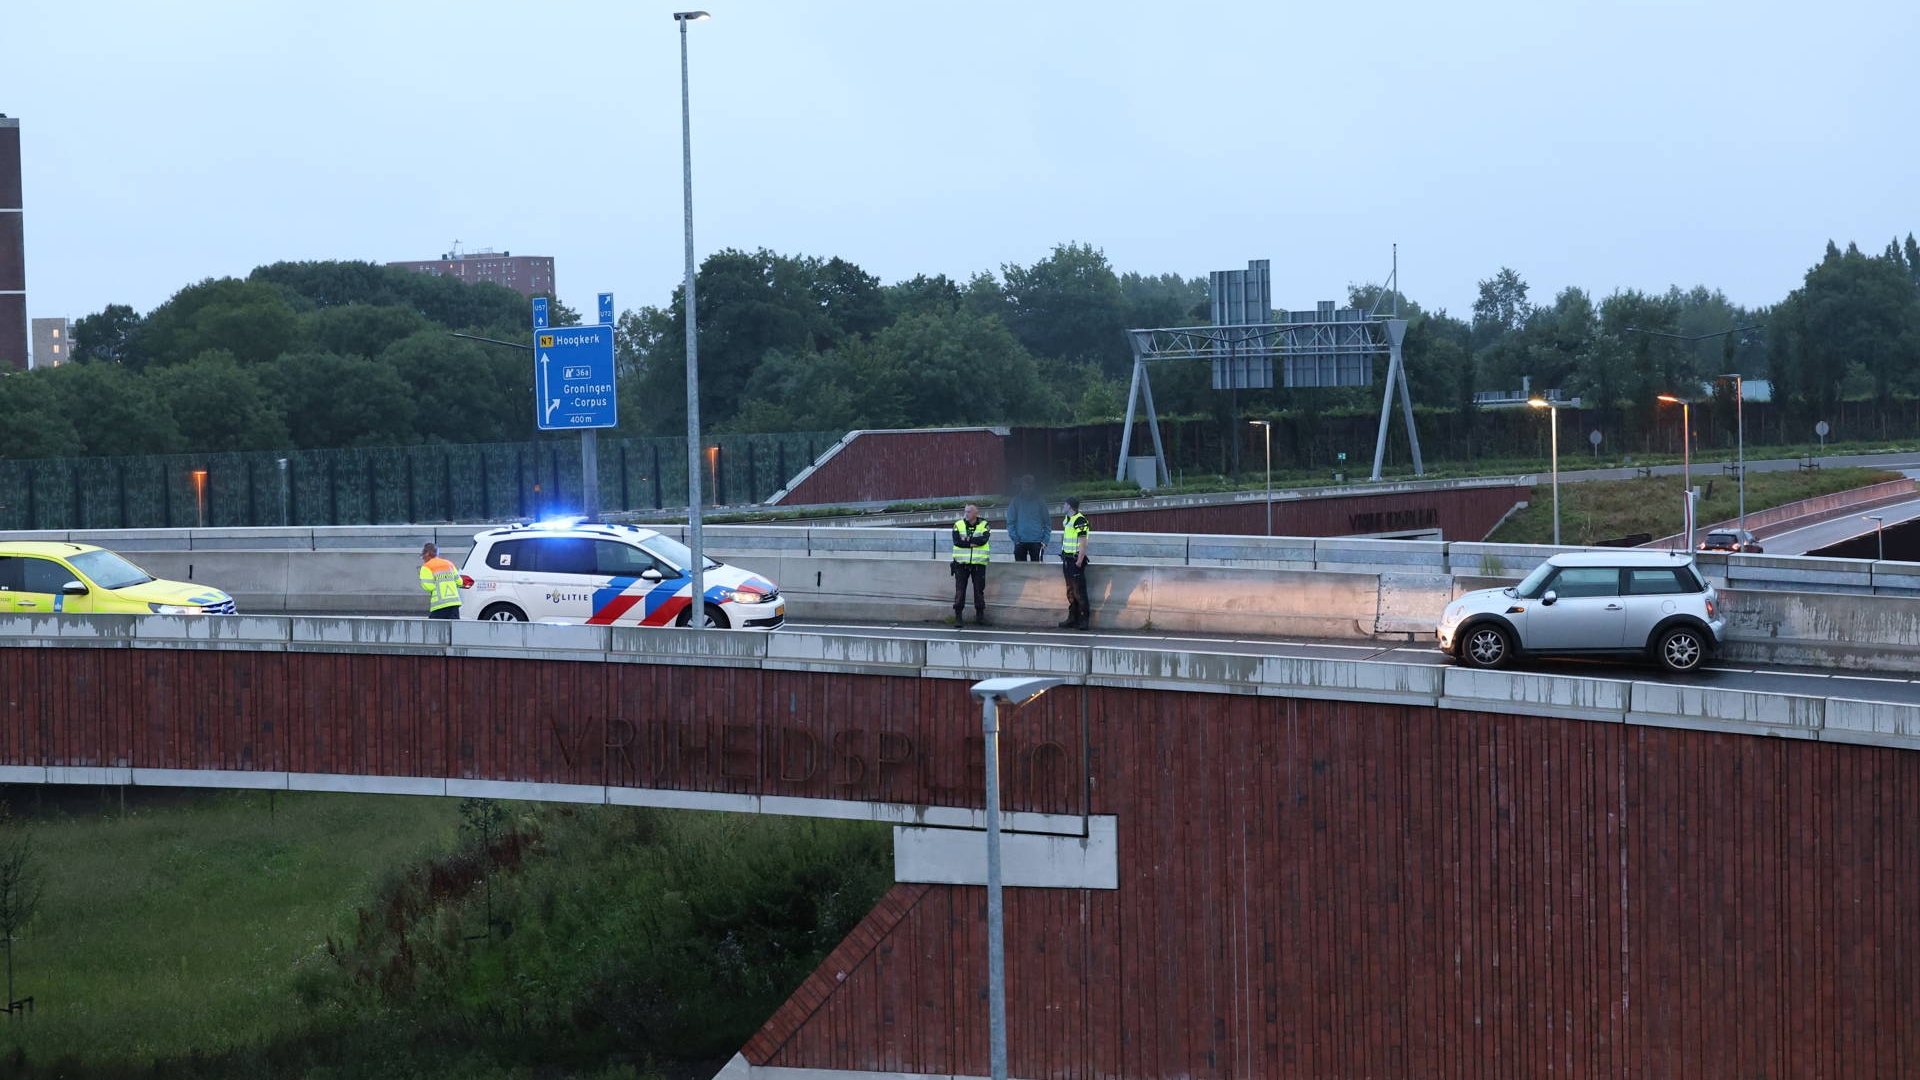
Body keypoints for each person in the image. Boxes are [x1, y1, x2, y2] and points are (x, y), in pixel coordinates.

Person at [950, 503, 991, 626]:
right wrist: (973, 542)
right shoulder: (958, 525)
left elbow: (983, 540)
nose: (966, 514)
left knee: (979, 590)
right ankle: (958, 617)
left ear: (976, 513)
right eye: (965, 512)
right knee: (960, 590)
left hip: (978, 564)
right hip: (961, 564)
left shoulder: (984, 525)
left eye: (969, 512)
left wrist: (967, 540)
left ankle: (980, 617)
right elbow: (957, 542)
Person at [1058, 496, 1092, 630]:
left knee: (1079, 592)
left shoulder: (1080, 520)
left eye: (1064, 504)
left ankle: (1084, 619)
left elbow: (1083, 542)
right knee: (1070, 591)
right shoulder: (1068, 519)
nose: (1063, 506)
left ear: (1070, 506)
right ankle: (1072, 618)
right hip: (1067, 559)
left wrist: (1079, 560)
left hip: (1075, 560)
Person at [1006, 475, 1051, 562]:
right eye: (1024, 487)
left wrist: (1045, 540)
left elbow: (1047, 523)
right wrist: (1016, 539)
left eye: (1029, 487)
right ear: (1021, 487)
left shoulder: (1040, 501)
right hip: (1020, 542)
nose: (1026, 489)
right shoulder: (1016, 501)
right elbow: (1010, 522)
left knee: (1037, 571)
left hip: (1036, 542)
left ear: (1033, 486)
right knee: (1020, 571)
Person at [419, 542, 462, 620]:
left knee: (436, 630)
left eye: (423, 556)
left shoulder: (426, 567)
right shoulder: (449, 564)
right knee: (453, 630)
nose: (423, 559)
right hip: (454, 604)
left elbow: (429, 587)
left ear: (427, 554)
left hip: (439, 605)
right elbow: (459, 582)